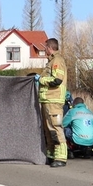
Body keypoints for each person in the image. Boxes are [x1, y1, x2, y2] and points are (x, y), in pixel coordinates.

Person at [39, 37, 68, 168]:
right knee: (48, 130)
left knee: (55, 128)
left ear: (50, 48)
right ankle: (51, 155)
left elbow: (57, 80)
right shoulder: (50, 62)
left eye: (45, 47)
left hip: (54, 100)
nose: (44, 50)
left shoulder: (57, 61)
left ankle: (61, 157)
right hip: (47, 100)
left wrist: (41, 80)